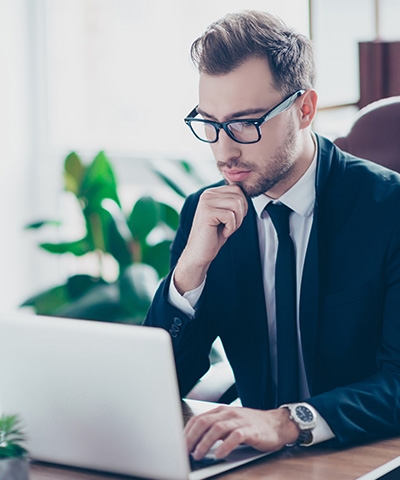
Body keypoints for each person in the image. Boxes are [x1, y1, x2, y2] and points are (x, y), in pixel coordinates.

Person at [144, 10, 400, 461]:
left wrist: (285, 421)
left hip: (366, 454)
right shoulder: (204, 214)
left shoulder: (389, 209)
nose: (225, 150)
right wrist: (189, 274)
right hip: (254, 462)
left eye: (246, 122)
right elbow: (160, 387)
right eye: (211, 123)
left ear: (305, 109)